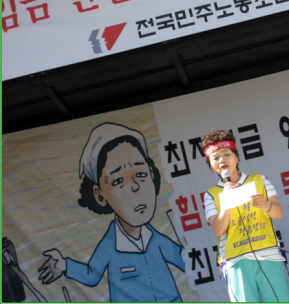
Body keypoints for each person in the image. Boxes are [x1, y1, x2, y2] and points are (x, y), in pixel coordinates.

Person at [37, 122, 186, 302]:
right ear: (99, 195)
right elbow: (91, 275)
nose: (134, 187)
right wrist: (64, 265)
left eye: (140, 175)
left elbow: (186, 261)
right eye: (118, 182)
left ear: (152, 175)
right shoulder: (110, 245)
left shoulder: (155, 239)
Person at [201, 130, 289, 302]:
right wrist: (226, 202)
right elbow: (218, 230)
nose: (222, 160)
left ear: (237, 157)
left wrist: (265, 205)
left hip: (268, 253)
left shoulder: (259, 180)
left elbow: (278, 213)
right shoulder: (211, 194)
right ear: (210, 165)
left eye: (227, 154)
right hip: (236, 261)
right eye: (215, 157)